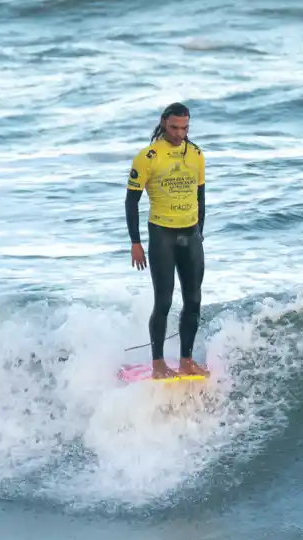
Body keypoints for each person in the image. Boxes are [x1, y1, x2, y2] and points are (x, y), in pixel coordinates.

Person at [124, 102, 210, 379]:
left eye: (184, 128)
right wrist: (135, 242)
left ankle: (186, 360)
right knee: (163, 301)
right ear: (163, 122)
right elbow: (131, 201)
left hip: (191, 234)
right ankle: (158, 363)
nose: (179, 133)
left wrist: (200, 231)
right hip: (163, 235)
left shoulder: (196, 154)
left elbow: (201, 196)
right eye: (174, 127)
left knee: (194, 300)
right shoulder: (147, 157)